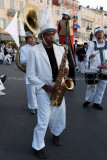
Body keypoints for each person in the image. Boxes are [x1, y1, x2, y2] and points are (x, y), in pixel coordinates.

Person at [26, 23, 69, 159]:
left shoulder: (60, 48)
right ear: (42, 36)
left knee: (59, 114)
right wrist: (45, 86)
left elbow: (65, 63)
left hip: (58, 87)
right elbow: (30, 75)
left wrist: (66, 69)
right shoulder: (34, 51)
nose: (52, 37)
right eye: (48, 34)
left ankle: (56, 134)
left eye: (53, 34)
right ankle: (37, 146)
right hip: (44, 89)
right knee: (43, 120)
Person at [83, 27, 107, 110]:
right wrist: (90, 56)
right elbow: (87, 56)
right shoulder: (92, 44)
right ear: (95, 35)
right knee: (92, 86)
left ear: (103, 34)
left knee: (102, 86)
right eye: (98, 33)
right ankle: (88, 100)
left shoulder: (106, 43)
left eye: (101, 32)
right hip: (94, 69)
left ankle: (97, 102)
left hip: (104, 69)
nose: (100, 33)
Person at [20, 31, 37, 114]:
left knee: (40, 89)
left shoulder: (37, 47)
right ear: (27, 39)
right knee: (31, 90)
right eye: (30, 37)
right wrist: (31, 57)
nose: (32, 39)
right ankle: (32, 107)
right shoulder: (23, 48)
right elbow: (22, 60)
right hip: (29, 71)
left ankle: (39, 105)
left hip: (39, 71)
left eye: (33, 37)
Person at [57, 9, 76, 85]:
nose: (64, 16)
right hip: (63, 43)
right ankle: (62, 82)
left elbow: (73, 30)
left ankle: (71, 81)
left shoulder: (72, 22)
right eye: (63, 15)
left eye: (65, 15)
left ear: (68, 15)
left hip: (70, 44)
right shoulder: (60, 22)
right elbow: (58, 31)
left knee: (71, 62)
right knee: (62, 61)